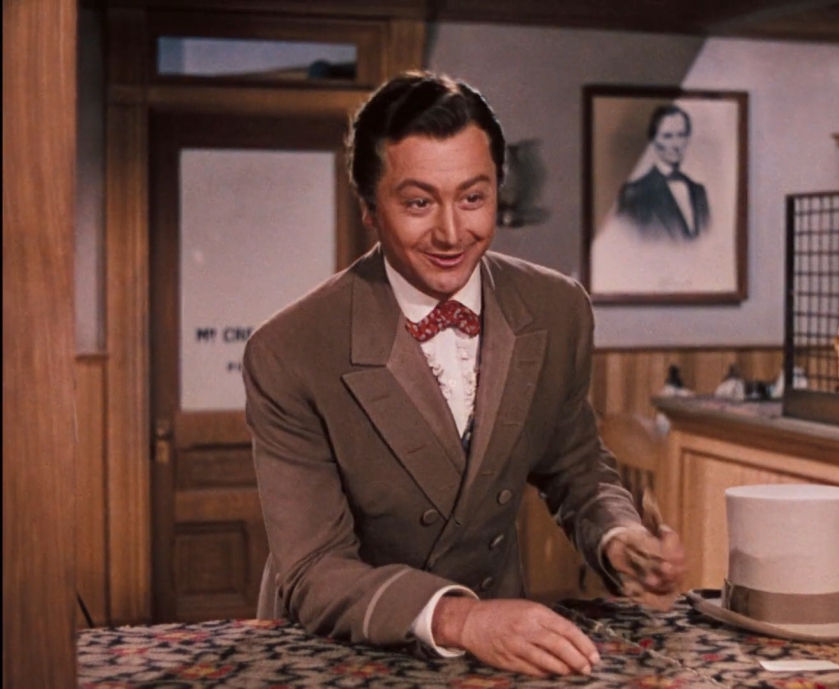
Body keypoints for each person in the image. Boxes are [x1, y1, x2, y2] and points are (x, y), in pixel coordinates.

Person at [242, 71, 686, 678]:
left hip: (496, 651)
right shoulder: (288, 350)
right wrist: (463, 618)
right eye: (418, 203)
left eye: (473, 198)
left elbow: (576, 465)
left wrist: (619, 538)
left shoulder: (557, 308)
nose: (452, 233)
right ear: (369, 207)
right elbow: (314, 569)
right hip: (343, 648)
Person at [616, 104, 710, 241]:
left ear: (687, 138)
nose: (676, 144)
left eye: (681, 135)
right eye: (667, 136)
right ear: (653, 140)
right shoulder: (634, 194)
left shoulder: (699, 192)